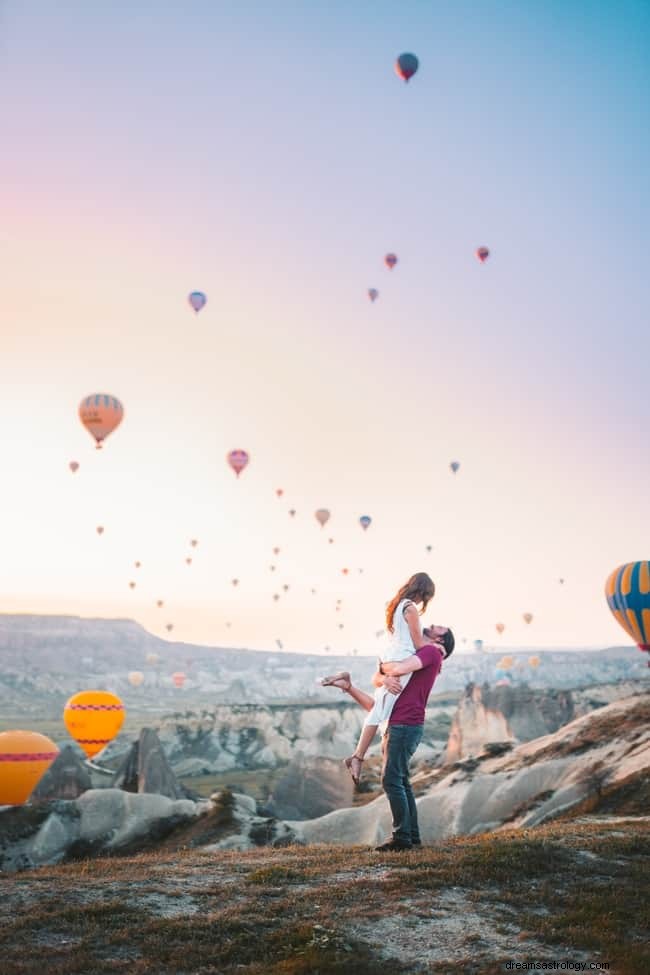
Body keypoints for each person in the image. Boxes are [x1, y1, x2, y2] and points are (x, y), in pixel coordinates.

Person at [320, 572, 454, 850]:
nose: (432, 626)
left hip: (405, 725)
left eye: (439, 629)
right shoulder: (423, 654)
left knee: (391, 780)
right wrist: (356, 685)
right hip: (400, 722)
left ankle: (401, 838)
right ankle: (410, 837)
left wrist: (383, 668)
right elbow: (378, 702)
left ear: (442, 644)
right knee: (401, 781)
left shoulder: (431, 653)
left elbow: (397, 669)